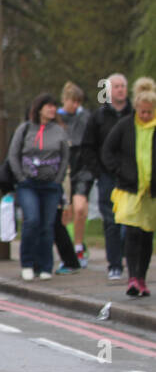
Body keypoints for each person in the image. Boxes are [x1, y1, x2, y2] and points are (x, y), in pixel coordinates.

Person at [101, 77, 156, 297]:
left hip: (151, 193)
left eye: (149, 112)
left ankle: (142, 278)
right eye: (142, 112)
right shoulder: (125, 126)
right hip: (130, 189)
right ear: (136, 109)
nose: (145, 116)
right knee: (132, 233)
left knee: (146, 236)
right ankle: (132, 277)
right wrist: (120, 171)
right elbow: (107, 151)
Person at [8, 94, 70, 281]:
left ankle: (45, 266)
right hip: (29, 184)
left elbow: (66, 157)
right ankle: (27, 263)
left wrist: (58, 180)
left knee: (47, 226)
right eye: (49, 106)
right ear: (39, 108)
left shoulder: (59, 131)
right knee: (32, 221)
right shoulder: (25, 128)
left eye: (54, 106)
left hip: (51, 186)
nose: (53, 110)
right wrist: (20, 177)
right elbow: (13, 154)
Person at [81, 73, 132, 283]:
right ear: (109, 91)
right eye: (116, 86)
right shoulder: (99, 117)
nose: (120, 89)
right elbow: (88, 147)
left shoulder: (136, 114)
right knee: (111, 221)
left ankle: (127, 257)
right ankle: (115, 264)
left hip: (130, 178)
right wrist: (98, 171)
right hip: (107, 177)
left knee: (128, 222)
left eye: (123, 86)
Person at [57, 82, 90, 266]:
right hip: (63, 169)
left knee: (79, 209)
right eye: (73, 101)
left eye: (79, 102)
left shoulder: (84, 117)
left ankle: (78, 248)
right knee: (65, 212)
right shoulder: (57, 118)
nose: (76, 106)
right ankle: (69, 250)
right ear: (65, 100)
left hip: (82, 168)